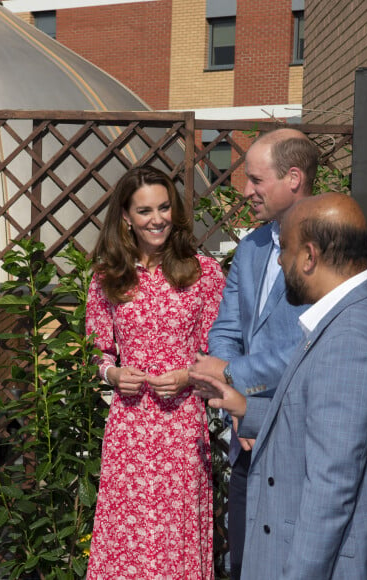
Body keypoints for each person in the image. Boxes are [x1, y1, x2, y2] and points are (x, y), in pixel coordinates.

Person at [192, 192, 367, 579]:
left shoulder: (350, 338)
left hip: (342, 562)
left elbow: (332, 485)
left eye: (285, 249)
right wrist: (247, 409)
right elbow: (338, 425)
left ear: (310, 256)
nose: (279, 261)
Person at [85, 166, 226, 579]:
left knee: (174, 538)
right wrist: (112, 375)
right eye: (145, 210)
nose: (157, 218)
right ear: (126, 216)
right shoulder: (107, 276)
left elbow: (218, 355)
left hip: (181, 427)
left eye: (164, 207)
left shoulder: (203, 274)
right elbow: (96, 353)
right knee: (127, 539)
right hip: (129, 429)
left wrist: (186, 376)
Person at [191, 127, 319, 579]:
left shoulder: (327, 249)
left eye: (256, 180)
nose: (245, 191)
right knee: (244, 561)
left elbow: (311, 345)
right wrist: (238, 412)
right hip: (245, 440)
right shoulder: (251, 247)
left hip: (301, 441)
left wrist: (236, 379)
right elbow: (225, 330)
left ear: (294, 178)